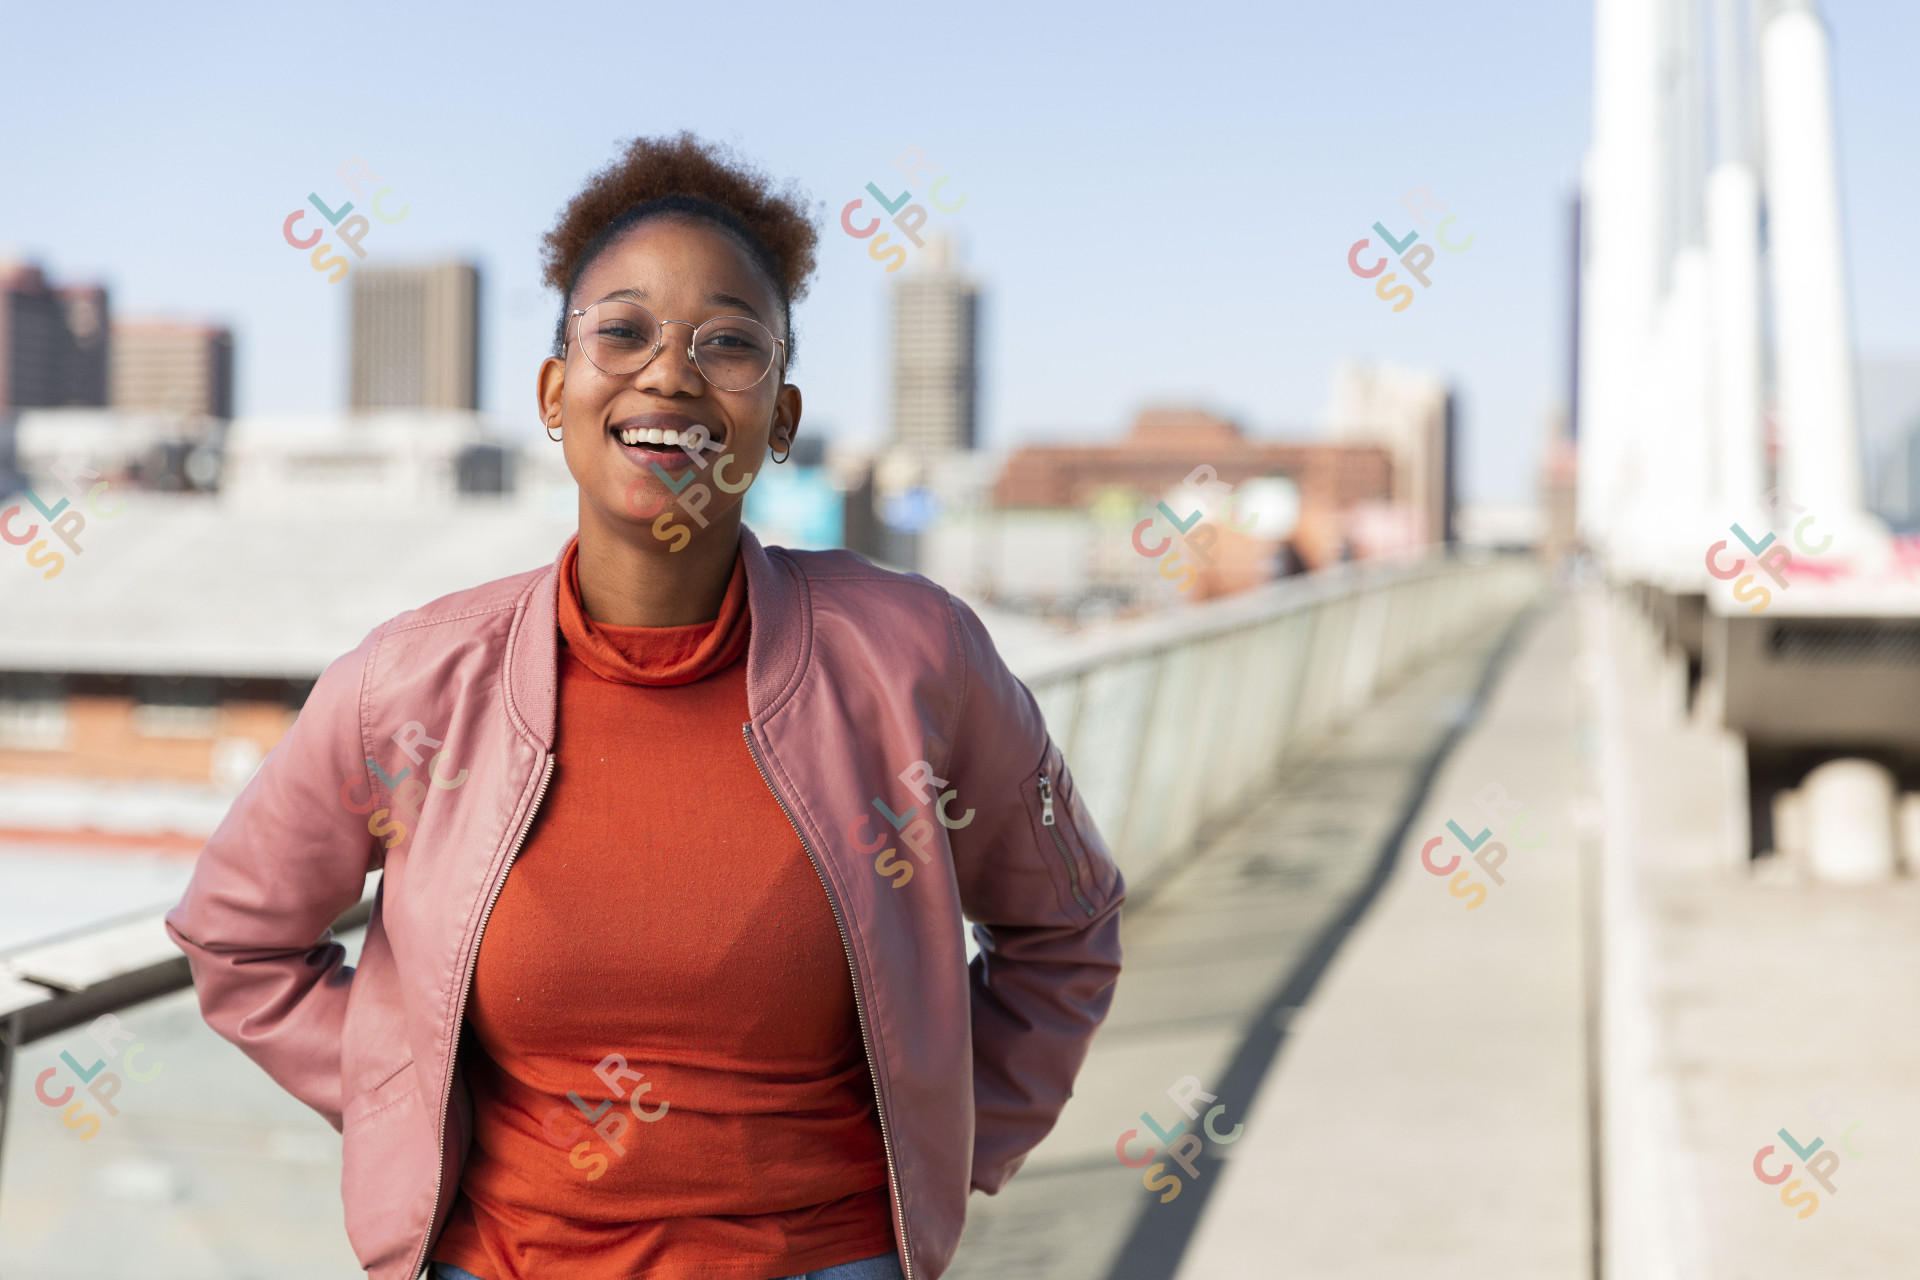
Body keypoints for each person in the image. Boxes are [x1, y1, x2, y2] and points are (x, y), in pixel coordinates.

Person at [166, 133, 1124, 1280]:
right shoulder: (410, 684)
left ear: (780, 417)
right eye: (621, 332)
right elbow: (237, 933)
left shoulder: (914, 654)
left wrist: (954, 1136)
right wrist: (406, 1103)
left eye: (729, 344)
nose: (668, 373)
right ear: (554, 390)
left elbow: (1066, 925)